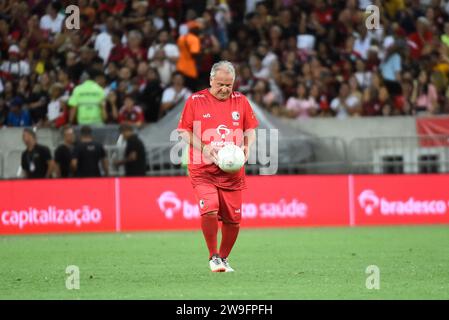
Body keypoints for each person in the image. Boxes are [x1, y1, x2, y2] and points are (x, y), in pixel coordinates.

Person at [177, 61, 258, 272]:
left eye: (228, 85)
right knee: (210, 209)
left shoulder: (241, 101)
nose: (224, 89)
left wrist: (247, 147)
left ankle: (223, 258)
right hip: (202, 168)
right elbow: (184, 131)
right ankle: (213, 256)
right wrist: (204, 148)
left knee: (233, 220)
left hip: (232, 171)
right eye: (220, 84)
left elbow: (250, 130)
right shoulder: (195, 100)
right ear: (211, 80)